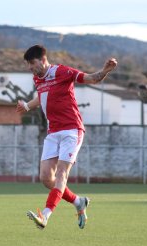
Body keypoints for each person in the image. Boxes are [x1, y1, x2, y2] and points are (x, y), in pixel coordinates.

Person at [17, 45, 117, 230]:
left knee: (62, 174)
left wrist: (105, 71)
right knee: (46, 178)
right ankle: (79, 202)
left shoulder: (62, 72)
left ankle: (45, 216)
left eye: (31, 63)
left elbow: (91, 79)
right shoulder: (38, 79)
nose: (29, 68)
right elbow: (42, 96)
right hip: (53, 132)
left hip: (72, 130)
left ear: (42, 60)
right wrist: (28, 106)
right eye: (28, 64)